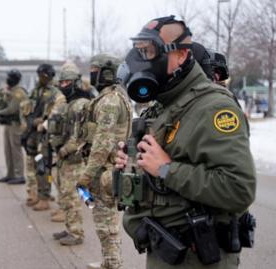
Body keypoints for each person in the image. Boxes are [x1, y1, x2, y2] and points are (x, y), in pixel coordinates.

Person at [116, 16, 256, 268]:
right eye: (139, 52)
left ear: (180, 55)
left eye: (149, 52)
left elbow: (238, 189)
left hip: (198, 257)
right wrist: (132, 165)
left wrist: (166, 168)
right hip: (165, 250)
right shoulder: (166, 106)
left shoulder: (214, 108)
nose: (141, 61)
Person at [75, 53, 132, 269]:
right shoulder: (115, 96)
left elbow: (102, 143)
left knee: (105, 222)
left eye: (94, 70)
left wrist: (86, 175)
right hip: (108, 167)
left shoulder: (110, 101)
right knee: (107, 221)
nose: (91, 74)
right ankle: (110, 262)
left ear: (106, 72)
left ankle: (112, 264)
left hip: (104, 170)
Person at [49, 63, 91, 245]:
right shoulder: (70, 103)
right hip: (65, 159)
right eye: (62, 81)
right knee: (65, 196)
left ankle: (76, 234)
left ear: (75, 83)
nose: (63, 85)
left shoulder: (81, 105)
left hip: (74, 160)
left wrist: (64, 150)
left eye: (67, 81)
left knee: (73, 198)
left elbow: (80, 136)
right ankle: (69, 229)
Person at [22, 63, 65, 211]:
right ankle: (40, 193)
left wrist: (42, 121)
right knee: (35, 165)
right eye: (39, 75)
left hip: (46, 134)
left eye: (44, 75)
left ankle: (45, 197)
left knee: (44, 167)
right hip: (33, 133)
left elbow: (55, 113)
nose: (41, 78)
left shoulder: (55, 92)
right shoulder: (36, 91)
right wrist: (30, 121)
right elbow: (28, 109)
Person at [0, 69, 28, 184]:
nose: (7, 80)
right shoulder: (11, 90)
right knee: (8, 150)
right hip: (8, 124)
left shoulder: (19, 92)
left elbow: (12, 109)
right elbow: (0, 95)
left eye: (9, 77)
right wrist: (6, 92)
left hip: (16, 125)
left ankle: (19, 175)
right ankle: (10, 174)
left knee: (16, 150)